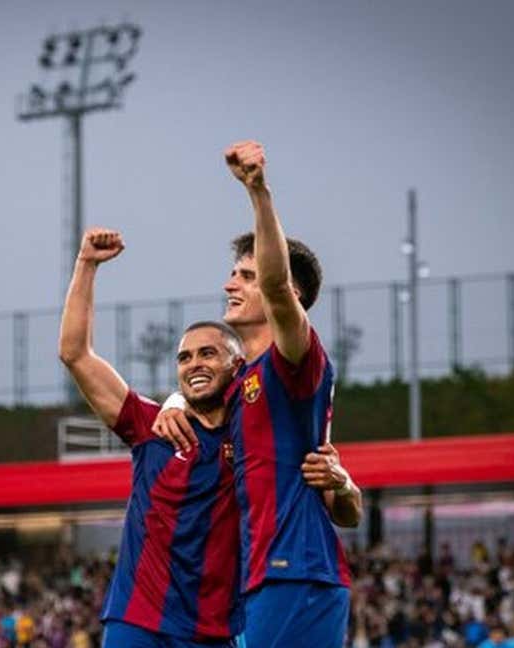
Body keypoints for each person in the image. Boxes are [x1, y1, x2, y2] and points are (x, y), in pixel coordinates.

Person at [152, 141, 363, 647]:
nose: (231, 284)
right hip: (257, 579)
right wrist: (174, 401)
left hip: (295, 571)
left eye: (245, 276)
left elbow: (275, 283)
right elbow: (346, 507)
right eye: (233, 273)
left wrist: (258, 192)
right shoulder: (242, 377)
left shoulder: (293, 360)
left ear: (289, 295)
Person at [58, 227, 244, 648]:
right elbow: (74, 353)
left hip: (214, 632)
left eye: (207, 353)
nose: (194, 363)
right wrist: (86, 265)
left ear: (238, 365)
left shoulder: (254, 433)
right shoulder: (152, 425)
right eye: (184, 357)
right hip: (139, 623)